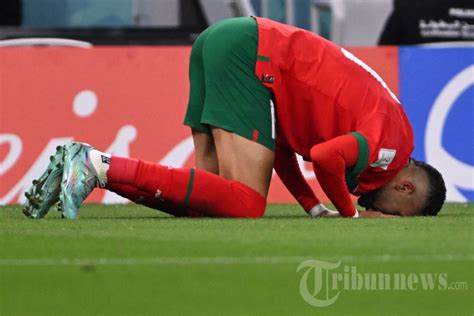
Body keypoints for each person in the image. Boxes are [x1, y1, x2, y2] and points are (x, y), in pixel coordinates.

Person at [23, 17, 446, 220]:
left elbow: (281, 148)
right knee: (245, 203)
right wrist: (349, 217)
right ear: (405, 189)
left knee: (212, 202)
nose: (382, 216)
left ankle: (92, 168)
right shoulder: (389, 147)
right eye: (395, 215)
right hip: (252, 52)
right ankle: (98, 164)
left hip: (229, 40)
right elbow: (325, 158)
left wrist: (313, 207)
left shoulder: (385, 135)